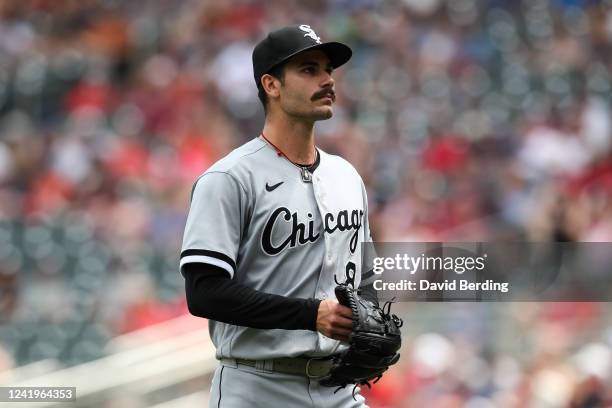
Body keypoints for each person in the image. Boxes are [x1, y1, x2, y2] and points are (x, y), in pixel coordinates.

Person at [180, 24, 378, 407]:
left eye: (328, 70)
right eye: (309, 70)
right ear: (271, 85)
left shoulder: (346, 177)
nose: (327, 80)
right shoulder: (229, 178)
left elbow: (364, 278)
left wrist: (367, 323)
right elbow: (204, 293)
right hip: (257, 385)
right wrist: (311, 315)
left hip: (339, 387)